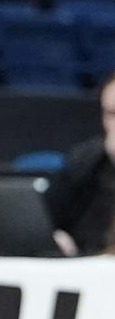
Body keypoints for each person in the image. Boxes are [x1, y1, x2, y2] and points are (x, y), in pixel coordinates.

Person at [46, 72, 115, 256]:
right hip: (84, 267)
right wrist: (55, 236)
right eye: (111, 114)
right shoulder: (86, 159)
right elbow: (48, 216)